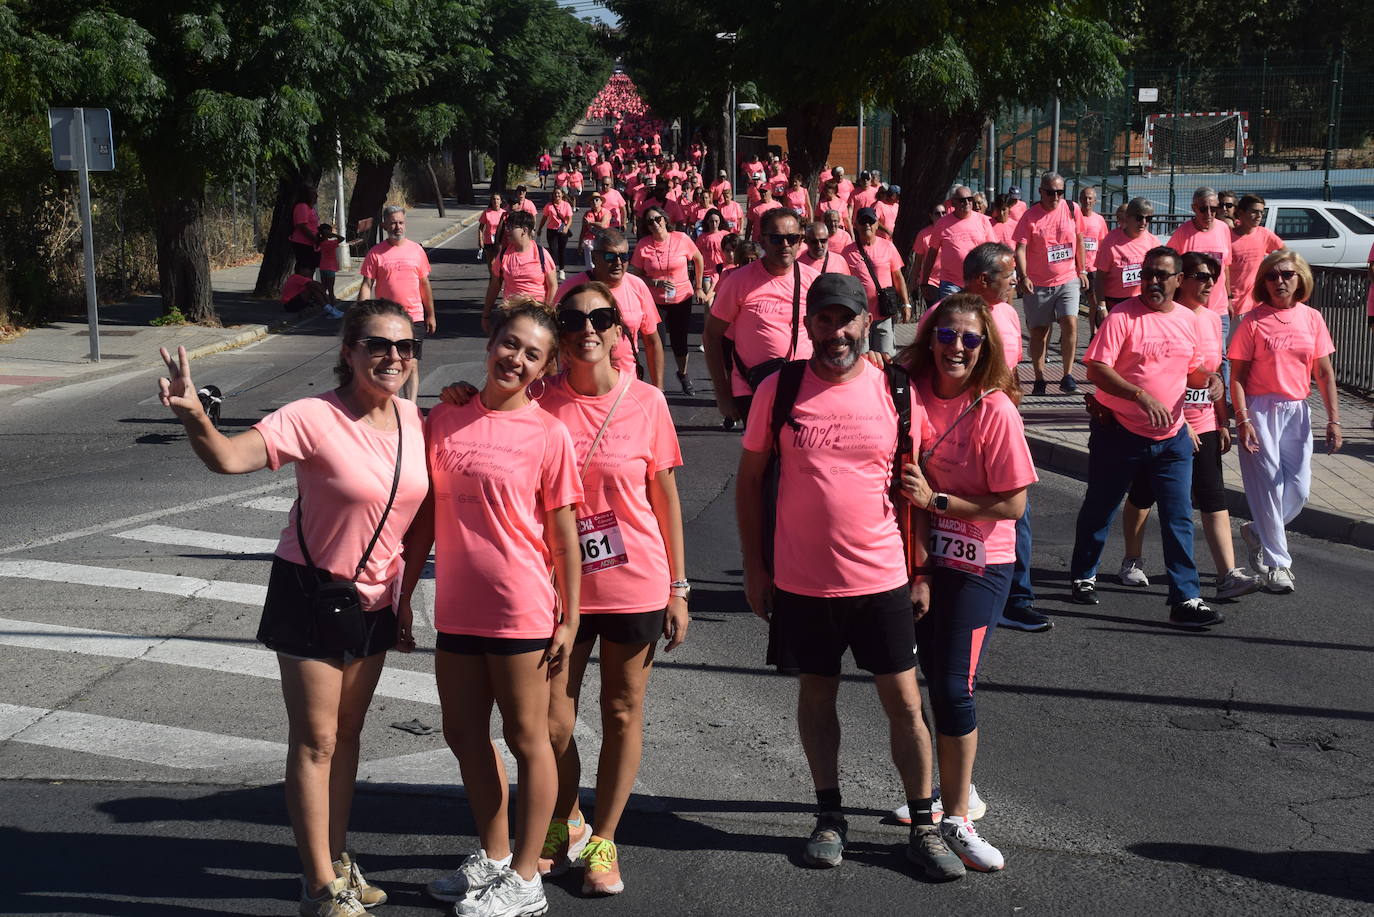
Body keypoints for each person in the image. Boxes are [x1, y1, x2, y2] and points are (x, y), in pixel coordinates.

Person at [158, 301, 428, 917]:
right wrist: (194, 413)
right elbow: (228, 458)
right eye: (379, 345)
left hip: (378, 596)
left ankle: (336, 858)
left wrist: (406, 593)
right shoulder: (313, 416)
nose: (394, 357)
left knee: (349, 736)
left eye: (405, 347)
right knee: (317, 741)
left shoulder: (417, 422)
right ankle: (317, 887)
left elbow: (420, 516)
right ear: (348, 352)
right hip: (312, 591)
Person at [735, 272, 967, 882]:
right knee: (818, 694)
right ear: (807, 324)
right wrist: (756, 568)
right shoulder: (780, 390)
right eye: (824, 319)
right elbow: (751, 481)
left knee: (904, 700)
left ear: (867, 322)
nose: (835, 332)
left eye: (847, 320)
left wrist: (920, 570)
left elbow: (910, 485)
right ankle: (829, 815)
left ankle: (924, 824)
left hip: (883, 576)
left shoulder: (895, 389)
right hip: (803, 581)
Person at [408, 301, 582, 917]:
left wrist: (571, 617)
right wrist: (404, 594)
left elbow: (564, 533)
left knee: (528, 739)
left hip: (521, 608)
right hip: (455, 607)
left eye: (533, 354)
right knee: (462, 734)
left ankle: (527, 877)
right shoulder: (447, 417)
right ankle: (492, 854)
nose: (517, 359)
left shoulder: (548, 432)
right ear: (492, 342)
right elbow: (426, 515)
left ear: (544, 368)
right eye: (510, 344)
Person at [895, 292, 1036, 871]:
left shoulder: (995, 408)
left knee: (955, 686)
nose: (957, 347)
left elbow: (1015, 503)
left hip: (982, 563)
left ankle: (958, 816)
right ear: (930, 337)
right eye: (948, 335)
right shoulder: (909, 393)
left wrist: (941, 500)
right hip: (921, 559)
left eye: (971, 339)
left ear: (986, 349)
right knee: (920, 683)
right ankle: (947, 793)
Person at [1068, 246, 1224, 628]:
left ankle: (1185, 599)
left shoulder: (1188, 320)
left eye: (1162, 275)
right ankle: (1083, 573)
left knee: (1178, 517)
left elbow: (1190, 369)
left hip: (1171, 438)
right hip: (1118, 431)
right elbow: (1096, 369)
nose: (1153, 282)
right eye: (1148, 273)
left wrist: (1212, 380)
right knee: (1101, 507)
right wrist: (1138, 395)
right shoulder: (1123, 316)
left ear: (1178, 281)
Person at [1116, 252, 1260, 600]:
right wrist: (1181, 425)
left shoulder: (1212, 319)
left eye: (1213, 276)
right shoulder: (1164, 316)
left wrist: (1221, 419)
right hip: (1165, 423)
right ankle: (1132, 560)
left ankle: (1227, 574)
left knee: (1213, 495)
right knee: (1143, 494)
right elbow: (1161, 378)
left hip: (1206, 420)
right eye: (1201, 276)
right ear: (1181, 279)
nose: (1210, 282)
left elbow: (1214, 372)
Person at [1229, 250, 1343, 594]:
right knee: (1269, 487)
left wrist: (1334, 419)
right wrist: (1243, 418)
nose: (1280, 281)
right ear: (1264, 281)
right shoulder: (1252, 321)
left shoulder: (1312, 318)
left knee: (1299, 489)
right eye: (1273, 276)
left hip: (1297, 410)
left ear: (1300, 279)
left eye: (1288, 275)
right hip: (1260, 410)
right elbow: (1236, 377)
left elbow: (1323, 373)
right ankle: (1278, 565)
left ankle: (1255, 531)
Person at [955, 244, 1051, 633]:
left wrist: (1012, 388)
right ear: (982, 280)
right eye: (1008, 275)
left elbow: (1009, 365)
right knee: (956, 514)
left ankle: (1017, 597)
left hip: (1002, 430)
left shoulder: (1009, 313)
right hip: (958, 432)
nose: (1015, 280)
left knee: (1017, 511)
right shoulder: (950, 316)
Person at [705, 209, 821, 425]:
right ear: (762, 241)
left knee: (800, 456)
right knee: (763, 457)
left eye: (792, 238)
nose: (785, 244)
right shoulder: (738, 282)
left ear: (800, 241)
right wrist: (722, 395)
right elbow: (712, 335)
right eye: (777, 238)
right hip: (752, 388)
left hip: (803, 387)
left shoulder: (814, 281)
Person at [555, 229, 664, 388]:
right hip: (578, 386)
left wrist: (658, 389)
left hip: (626, 386)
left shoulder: (637, 286)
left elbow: (652, 342)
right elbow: (551, 340)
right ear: (594, 257)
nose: (618, 263)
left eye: (624, 256)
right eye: (610, 256)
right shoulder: (572, 289)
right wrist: (552, 385)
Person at [1014, 171, 1086, 396]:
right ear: (1040, 192)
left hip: (1068, 279)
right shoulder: (1030, 217)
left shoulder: (1073, 210)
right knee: (1039, 333)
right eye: (1050, 192)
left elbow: (1080, 241)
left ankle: (1068, 375)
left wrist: (1081, 270)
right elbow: (1020, 249)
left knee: (1070, 323)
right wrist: (1024, 276)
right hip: (1039, 284)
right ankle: (1039, 377)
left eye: (1059, 192)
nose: (1055, 196)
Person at [359, 206, 435, 402]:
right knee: (389, 363)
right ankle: (392, 404)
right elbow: (367, 284)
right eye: (393, 223)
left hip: (414, 316)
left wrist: (431, 314)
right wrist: (361, 316)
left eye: (401, 222)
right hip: (386, 319)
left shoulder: (417, 251)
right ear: (384, 225)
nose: (397, 227)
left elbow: (424, 284)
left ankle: (410, 407)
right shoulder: (376, 253)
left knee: (411, 363)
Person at [630, 205, 703, 395]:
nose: (655, 223)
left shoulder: (681, 238)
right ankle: (658, 387)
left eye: (657, 219)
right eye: (650, 221)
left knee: (680, 341)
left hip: (682, 298)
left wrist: (699, 287)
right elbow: (635, 276)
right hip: (655, 302)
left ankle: (683, 374)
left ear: (664, 219)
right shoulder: (643, 245)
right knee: (657, 344)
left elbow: (698, 258)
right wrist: (653, 282)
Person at [842, 207, 912, 356]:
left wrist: (906, 303)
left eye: (871, 221)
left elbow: (898, 277)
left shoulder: (888, 246)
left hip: (883, 313)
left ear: (876, 224)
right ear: (856, 225)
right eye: (863, 222)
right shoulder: (847, 252)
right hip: (859, 316)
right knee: (862, 359)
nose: (867, 225)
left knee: (887, 357)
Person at [482, 211, 557, 334]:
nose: (507, 230)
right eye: (507, 227)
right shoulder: (504, 255)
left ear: (524, 230)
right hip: (511, 316)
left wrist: (547, 312)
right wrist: (485, 315)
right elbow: (494, 286)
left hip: (537, 316)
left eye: (511, 227)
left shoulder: (542, 254)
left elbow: (553, 285)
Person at [1092, 197, 1160, 331]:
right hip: (1115, 304)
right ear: (1128, 217)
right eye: (1139, 218)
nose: (1144, 222)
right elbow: (1100, 278)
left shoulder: (1153, 242)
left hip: (1142, 303)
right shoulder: (1111, 242)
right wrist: (1101, 306)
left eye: (1148, 219)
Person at [921, 187, 996, 300]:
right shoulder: (942, 223)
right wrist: (924, 282)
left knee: (975, 316)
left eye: (969, 199)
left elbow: (992, 251)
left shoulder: (983, 220)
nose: (966, 203)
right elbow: (931, 254)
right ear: (953, 203)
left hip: (977, 281)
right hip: (950, 283)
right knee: (952, 316)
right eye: (962, 200)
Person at [1229, 194, 1284, 317]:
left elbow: (1286, 253)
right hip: (1231, 306)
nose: (1259, 216)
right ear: (1241, 213)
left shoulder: (1265, 234)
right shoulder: (1227, 236)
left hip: (1257, 304)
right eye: (1254, 211)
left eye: (1261, 212)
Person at [536, 186, 574, 280]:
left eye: (558, 193)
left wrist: (566, 228)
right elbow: (544, 218)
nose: (557, 195)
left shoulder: (566, 205)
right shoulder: (549, 206)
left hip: (562, 230)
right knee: (553, 251)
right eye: (555, 193)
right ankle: (552, 270)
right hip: (551, 230)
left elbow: (569, 219)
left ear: (562, 195)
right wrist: (540, 228)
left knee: (561, 250)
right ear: (553, 195)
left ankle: (561, 270)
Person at [694, 208, 730, 297]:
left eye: (716, 221)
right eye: (711, 221)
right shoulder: (701, 238)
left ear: (720, 221)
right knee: (708, 303)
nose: (714, 224)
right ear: (707, 222)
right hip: (707, 273)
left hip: (723, 272)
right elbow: (697, 257)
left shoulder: (725, 235)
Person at [290, 185, 322, 277]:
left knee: (311, 267)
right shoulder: (302, 206)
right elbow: (302, 225)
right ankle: (304, 285)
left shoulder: (310, 208)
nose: (316, 196)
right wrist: (314, 238)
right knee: (305, 267)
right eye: (314, 194)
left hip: (311, 243)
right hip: (303, 243)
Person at [478, 193, 506, 269]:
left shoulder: (504, 213)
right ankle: (492, 277)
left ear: (500, 201)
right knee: (491, 262)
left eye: (497, 199)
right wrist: (480, 240)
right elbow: (481, 228)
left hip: (500, 241)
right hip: (489, 241)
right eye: (493, 199)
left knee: (500, 261)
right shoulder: (486, 213)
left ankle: (499, 277)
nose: (495, 201)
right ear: (491, 201)